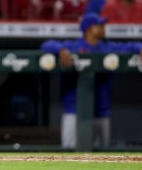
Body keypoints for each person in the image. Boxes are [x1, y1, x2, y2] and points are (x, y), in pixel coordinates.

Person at [41, 13, 142, 148]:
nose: (103, 28)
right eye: (99, 25)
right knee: (69, 154)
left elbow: (130, 46)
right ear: (89, 29)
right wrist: (61, 50)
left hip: (101, 110)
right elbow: (46, 45)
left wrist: (140, 48)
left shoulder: (107, 47)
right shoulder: (74, 46)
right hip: (74, 109)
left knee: (102, 157)